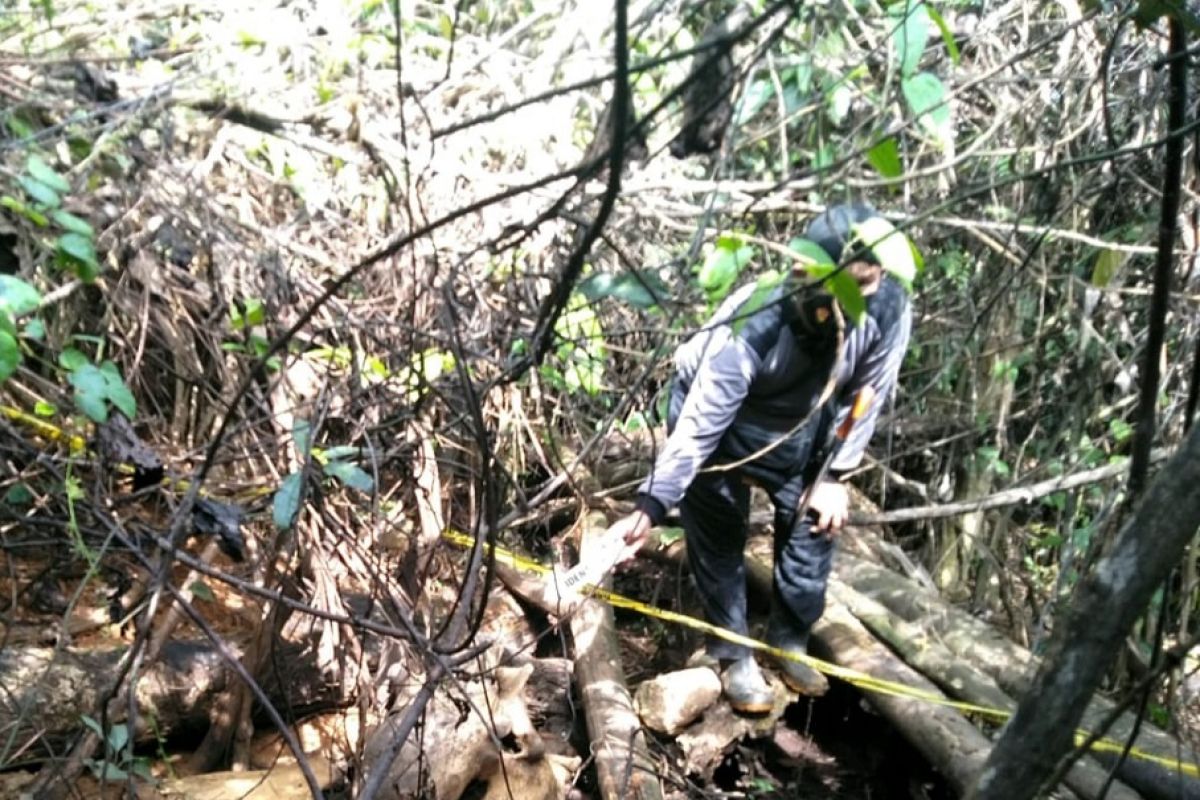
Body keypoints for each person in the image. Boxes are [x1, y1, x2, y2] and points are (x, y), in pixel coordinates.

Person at [608, 203, 913, 715]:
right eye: (845, 288)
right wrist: (651, 506)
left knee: (816, 524)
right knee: (720, 530)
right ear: (807, 274)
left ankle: (788, 641)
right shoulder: (757, 320)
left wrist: (836, 474)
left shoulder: (889, 307)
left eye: (868, 285)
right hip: (723, 422)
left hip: (804, 419)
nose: (857, 302)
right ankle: (732, 652)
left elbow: (869, 393)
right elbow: (701, 424)